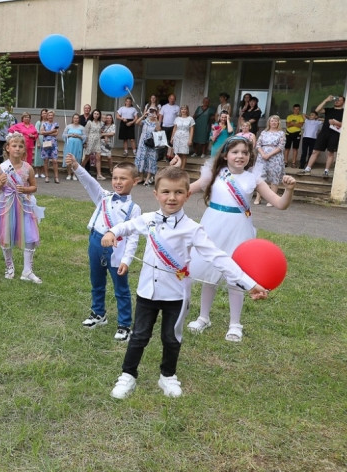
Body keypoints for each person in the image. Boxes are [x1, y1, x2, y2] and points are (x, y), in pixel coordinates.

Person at [103, 166, 267, 399]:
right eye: (166, 192)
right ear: (156, 194)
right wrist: (111, 232)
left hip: (176, 296)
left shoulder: (193, 229)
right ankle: (128, 375)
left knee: (172, 338)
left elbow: (219, 258)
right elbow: (126, 227)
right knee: (139, 335)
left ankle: (167, 375)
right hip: (147, 293)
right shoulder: (147, 220)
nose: (172, 198)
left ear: (188, 194)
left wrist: (248, 283)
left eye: (179, 192)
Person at [179, 136, 295, 342]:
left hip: (239, 230)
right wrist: (176, 172)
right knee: (209, 272)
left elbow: (280, 204)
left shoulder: (254, 179)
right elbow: (184, 191)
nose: (240, 156)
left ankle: (235, 324)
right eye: (235, 152)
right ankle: (203, 317)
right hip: (213, 227)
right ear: (225, 155)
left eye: (244, 152)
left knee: (236, 276)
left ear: (250, 156)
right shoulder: (214, 175)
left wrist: (289, 190)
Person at [66, 155, 140, 341]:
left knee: (121, 288)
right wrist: (76, 166)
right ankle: (98, 314)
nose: (118, 182)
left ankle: (124, 325)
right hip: (96, 243)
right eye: (115, 177)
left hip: (117, 249)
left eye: (123, 178)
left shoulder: (134, 208)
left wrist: (126, 260)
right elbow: (89, 182)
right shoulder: (103, 197)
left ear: (135, 181)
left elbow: (133, 237)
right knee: (96, 282)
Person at [0, 132, 44, 283]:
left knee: (30, 235)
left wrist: (26, 190)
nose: (17, 148)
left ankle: (27, 270)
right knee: (6, 235)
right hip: (7, 205)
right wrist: (1, 183)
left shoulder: (28, 168)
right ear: (8, 148)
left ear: (24, 149)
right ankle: (9, 266)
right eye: (14, 146)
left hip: (24, 204)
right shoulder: (2, 168)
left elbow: (34, 187)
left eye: (20, 146)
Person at [300, 94, 344, 178]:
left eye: (340, 100)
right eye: (336, 99)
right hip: (324, 132)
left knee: (330, 153)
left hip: (335, 134)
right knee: (315, 151)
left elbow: (344, 124)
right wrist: (326, 100)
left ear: (343, 102)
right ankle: (307, 169)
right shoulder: (329, 110)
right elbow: (317, 110)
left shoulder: (344, 112)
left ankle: (326, 171)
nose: (337, 101)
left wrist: (336, 123)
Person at [253, 115, 286, 206]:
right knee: (260, 177)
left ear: (278, 123)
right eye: (272, 121)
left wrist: (269, 155)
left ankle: (272, 200)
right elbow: (258, 144)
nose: (274, 122)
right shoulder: (264, 132)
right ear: (269, 122)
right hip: (262, 156)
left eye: (276, 121)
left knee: (274, 178)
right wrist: (263, 154)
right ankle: (258, 198)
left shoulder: (281, 133)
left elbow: (281, 146)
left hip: (275, 157)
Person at [134, 108, 159, 186]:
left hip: (151, 143)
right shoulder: (146, 121)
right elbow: (137, 123)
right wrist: (143, 115)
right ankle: (141, 177)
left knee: (150, 160)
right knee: (142, 159)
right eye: (151, 113)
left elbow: (159, 129)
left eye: (153, 113)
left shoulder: (156, 122)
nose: (152, 114)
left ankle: (147, 179)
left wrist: (156, 119)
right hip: (143, 142)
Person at [82, 108, 105, 180]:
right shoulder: (89, 122)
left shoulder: (101, 123)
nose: (96, 115)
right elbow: (85, 132)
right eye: (95, 113)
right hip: (90, 141)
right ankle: (80, 170)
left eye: (97, 114)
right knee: (87, 157)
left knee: (98, 157)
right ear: (93, 114)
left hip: (97, 141)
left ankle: (99, 174)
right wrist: (86, 142)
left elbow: (102, 131)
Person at [62, 113, 86, 180]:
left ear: (79, 119)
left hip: (78, 145)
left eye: (77, 118)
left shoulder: (82, 127)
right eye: (74, 118)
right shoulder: (68, 126)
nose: (76, 119)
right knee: (69, 158)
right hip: (69, 145)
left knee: (77, 159)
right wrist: (70, 135)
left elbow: (84, 137)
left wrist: (78, 136)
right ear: (72, 119)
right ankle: (69, 174)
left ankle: (75, 175)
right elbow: (63, 135)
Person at [171, 105, 195, 170]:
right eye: (182, 109)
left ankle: (182, 169)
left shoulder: (190, 119)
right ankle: (177, 168)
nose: (183, 111)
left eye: (185, 109)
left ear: (187, 110)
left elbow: (192, 130)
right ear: (180, 110)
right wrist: (172, 138)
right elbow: (174, 128)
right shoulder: (177, 118)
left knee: (184, 154)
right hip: (177, 137)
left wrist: (190, 139)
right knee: (177, 153)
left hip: (185, 136)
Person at [40, 110, 61, 183]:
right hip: (46, 144)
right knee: (46, 160)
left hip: (54, 144)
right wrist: (51, 132)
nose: (50, 116)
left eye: (52, 115)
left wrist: (47, 133)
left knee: (55, 161)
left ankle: (56, 177)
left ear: (53, 116)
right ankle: (47, 176)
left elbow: (56, 134)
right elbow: (41, 132)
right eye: (49, 115)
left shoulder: (56, 124)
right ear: (47, 116)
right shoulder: (44, 124)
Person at [158, 94, 180, 161]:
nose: (172, 100)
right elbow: (160, 116)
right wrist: (159, 125)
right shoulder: (164, 107)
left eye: (173, 99)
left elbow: (178, 117)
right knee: (162, 142)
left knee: (171, 142)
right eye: (171, 98)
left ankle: (169, 157)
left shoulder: (177, 107)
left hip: (173, 127)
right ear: (168, 99)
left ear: (175, 100)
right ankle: (160, 156)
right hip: (164, 126)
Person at [33, 109, 48, 178]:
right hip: (40, 140)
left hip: (47, 141)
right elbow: (36, 133)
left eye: (46, 113)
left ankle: (42, 172)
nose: (44, 114)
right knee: (38, 156)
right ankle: (36, 172)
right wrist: (38, 142)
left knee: (45, 157)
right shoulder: (39, 122)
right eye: (43, 113)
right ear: (41, 114)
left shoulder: (48, 122)